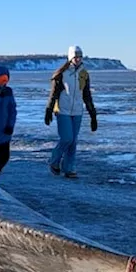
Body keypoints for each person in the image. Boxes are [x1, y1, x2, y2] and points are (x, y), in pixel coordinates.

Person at [45, 45, 98, 179]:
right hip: (63, 111)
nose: (78, 59)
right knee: (67, 138)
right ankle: (54, 161)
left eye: (80, 57)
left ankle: (69, 169)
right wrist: (49, 110)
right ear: (70, 57)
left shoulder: (84, 74)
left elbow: (87, 95)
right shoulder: (62, 74)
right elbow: (54, 94)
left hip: (77, 112)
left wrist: (93, 115)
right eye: (75, 57)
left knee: (73, 141)